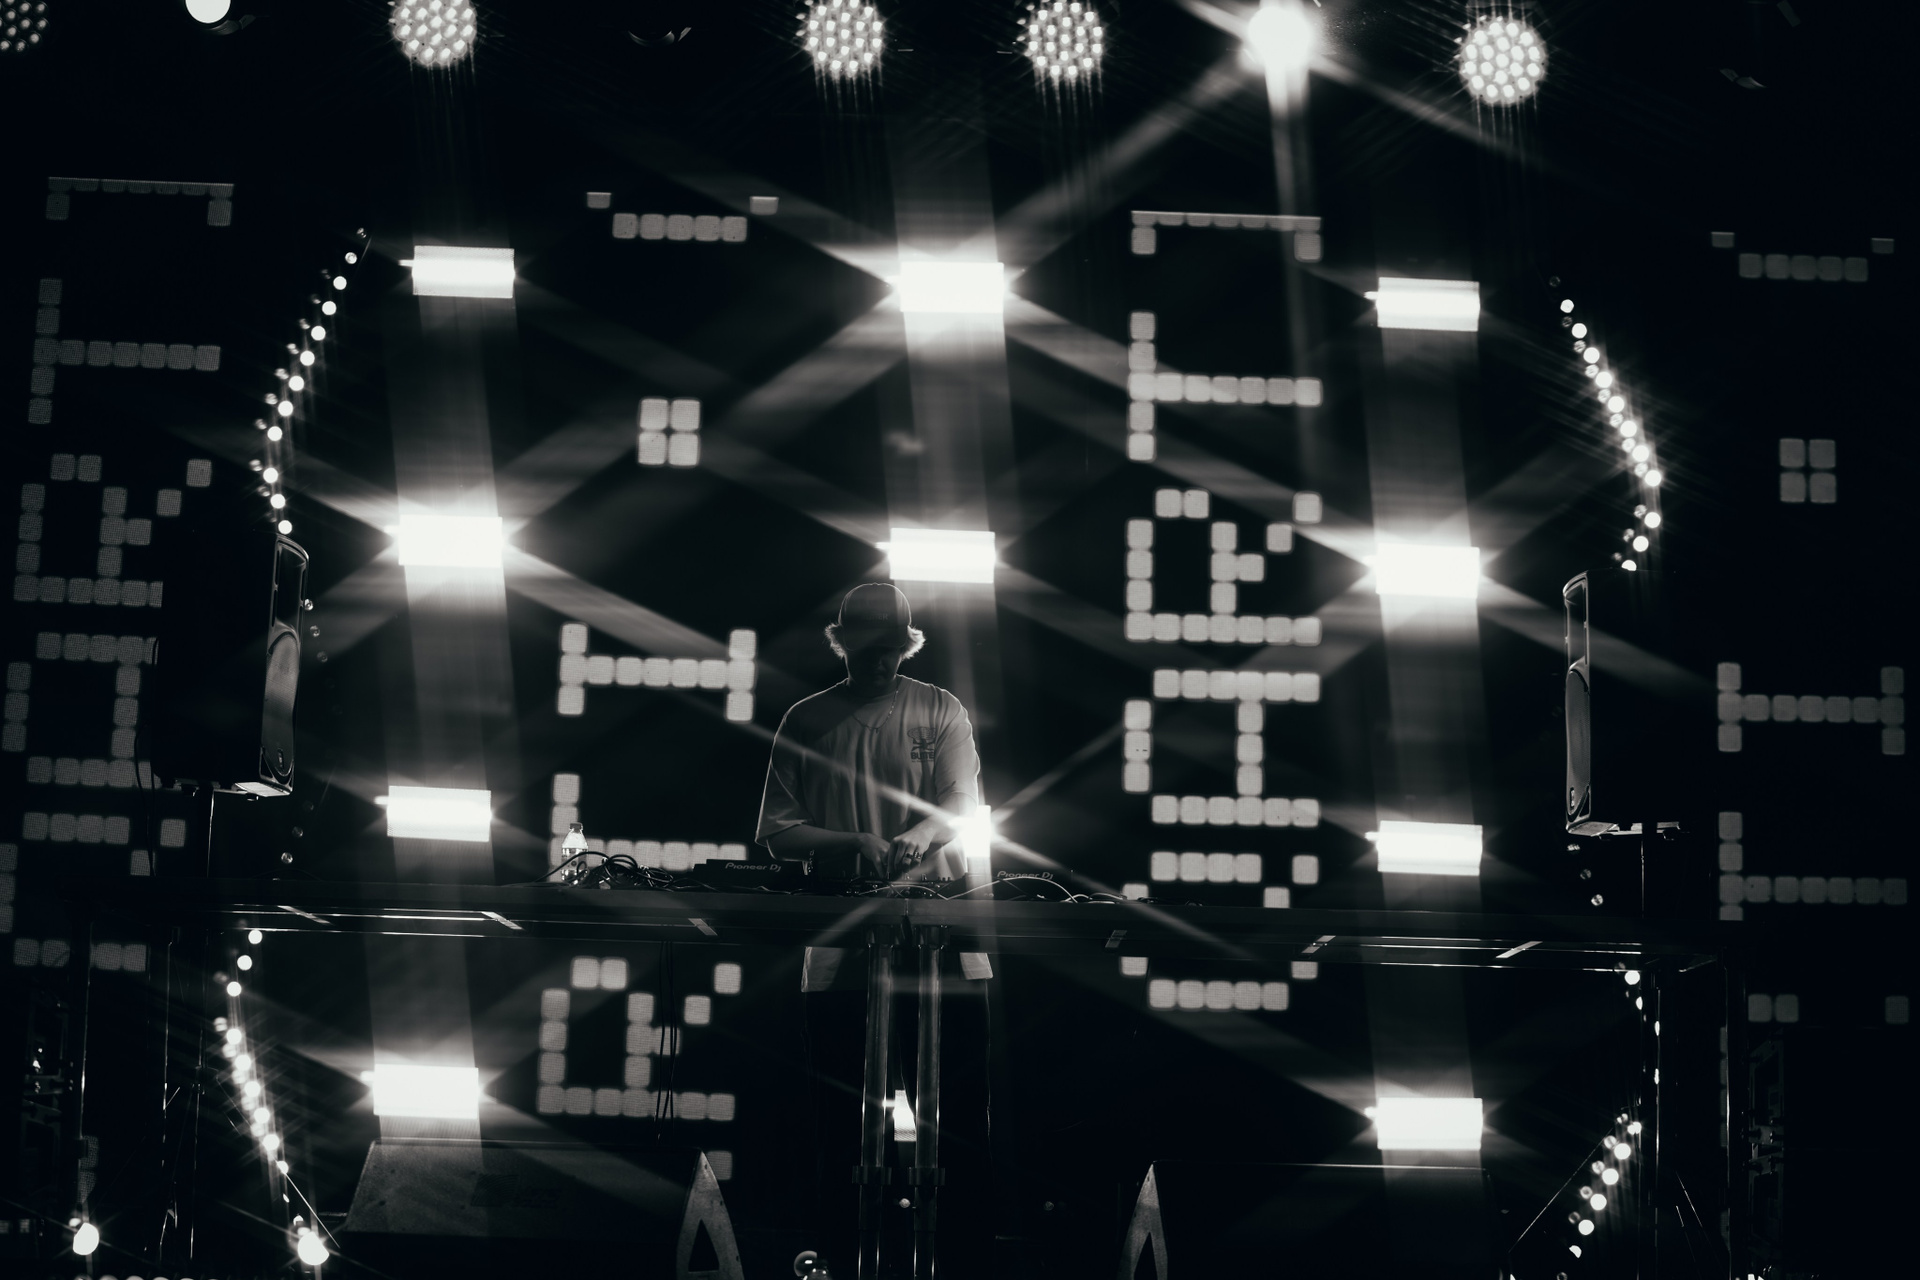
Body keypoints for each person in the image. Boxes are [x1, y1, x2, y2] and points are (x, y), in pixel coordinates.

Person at [756, 582, 980, 880]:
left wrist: (925, 831)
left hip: (935, 896)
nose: (876, 660)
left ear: (904, 646)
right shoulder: (802, 719)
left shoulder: (941, 707)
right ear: (841, 642)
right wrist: (858, 842)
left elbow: (963, 803)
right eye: (865, 647)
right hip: (834, 899)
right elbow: (780, 835)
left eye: (886, 648)